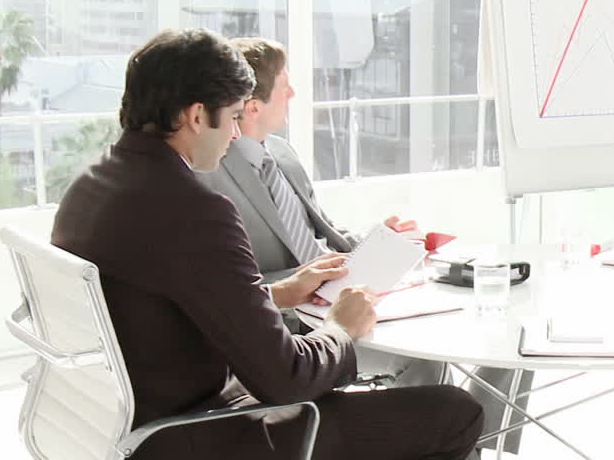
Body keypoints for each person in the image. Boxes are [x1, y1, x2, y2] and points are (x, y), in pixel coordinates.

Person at [52, 29, 482, 460]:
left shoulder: (90, 185)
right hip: (200, 434)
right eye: (235, 116)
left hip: (125, 423)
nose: (237, 135)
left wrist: (276, 294)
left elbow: (166, 302)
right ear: (197, 116)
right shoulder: (196, 212)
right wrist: (341, 327)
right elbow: (287, 378)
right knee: (456, 412)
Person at [198, 37, 532, 455]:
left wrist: (381, 239)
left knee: (503, 331)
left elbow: (323, 234)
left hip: (343, 287)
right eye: (285, 85)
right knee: (426, 358)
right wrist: (307, 288)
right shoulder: (210, 174)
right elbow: (235, 292)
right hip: (300, 323)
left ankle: (478, 448)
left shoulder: (280, 152)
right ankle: (453, 443)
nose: (294, 94)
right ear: (252, 108)